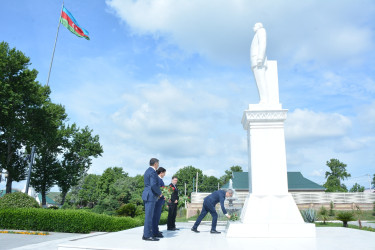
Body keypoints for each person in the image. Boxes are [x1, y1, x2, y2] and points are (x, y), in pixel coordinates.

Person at [142, 158, 162, 241]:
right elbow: (153, 185)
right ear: (155, 164)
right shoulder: (152, 172)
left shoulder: (148, 170)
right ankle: (147, 235)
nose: (158, 165)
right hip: (150, 196)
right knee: (149, 217)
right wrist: (159, 193)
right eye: (158, 163)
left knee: (149, 216)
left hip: (147, 195)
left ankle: (148, 234)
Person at [250, 22, 269, 104]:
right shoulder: (256, 34)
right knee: (258, 81)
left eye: (254, 25)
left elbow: (262, 43)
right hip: (255, 61)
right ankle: (263, 98)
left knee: (261, 80)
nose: (253, 27)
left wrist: (260, 58)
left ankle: (264, 99)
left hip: (258, 60)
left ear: (259, 26)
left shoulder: (261, 31)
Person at [152, 167, 166, 238]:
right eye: (164, 173)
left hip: (160, 200)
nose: (165, 174)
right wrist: (162, 195)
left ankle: (156, 229)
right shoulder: (158, 179)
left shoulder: (160, 179)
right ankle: (155, 231)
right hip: (158, 201)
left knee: (157, 216)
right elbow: (158, 190)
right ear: (161, 173)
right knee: (156, 216)